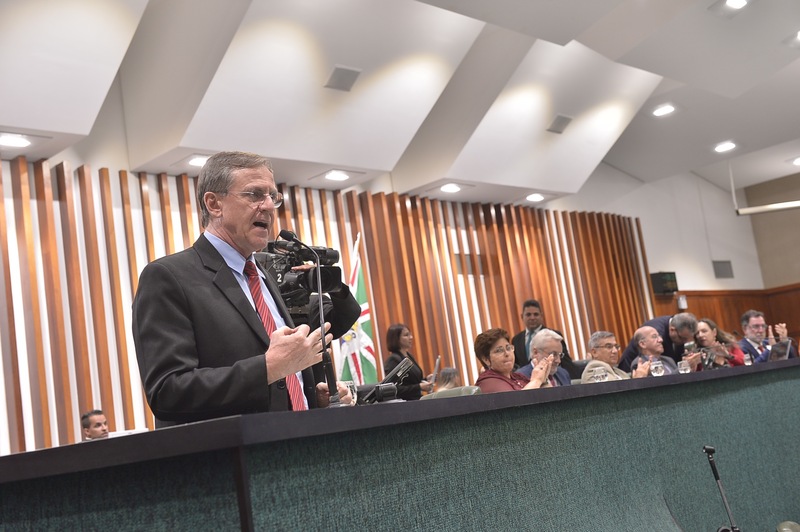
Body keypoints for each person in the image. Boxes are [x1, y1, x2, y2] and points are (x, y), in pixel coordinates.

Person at [132, 151, 360, 427]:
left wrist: (308, 397)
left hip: (295, 442)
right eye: (254, 195)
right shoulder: (168, 277)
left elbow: (279, 377)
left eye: (272, 196)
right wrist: (267, 368)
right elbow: (168, 392)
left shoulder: (262, 275)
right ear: (214, 204)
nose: (269, 206)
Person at [511, 299, 581, 379]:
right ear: (522, 316)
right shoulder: (516, 339)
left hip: (551, 378)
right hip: (525, 379)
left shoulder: (554, 336)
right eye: (528, 315)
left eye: (536, 314)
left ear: (541, 316)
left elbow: (566, 362)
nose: (532, 318)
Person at [474, 328, 553, 393]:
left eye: (508, 348)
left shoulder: (518, 377)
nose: (507, 353)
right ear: (486, 359)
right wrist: (536, 380)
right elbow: (516, 403)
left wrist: (544, 380)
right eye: (499, 350)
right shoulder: (489, 382)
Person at [618, 313, 697, 372]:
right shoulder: (656, 330)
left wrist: (689, 364)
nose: (660, 340)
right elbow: (665, 379)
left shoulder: (668, 360)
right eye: (682, 338)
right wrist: (684, 365)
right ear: (672, 330)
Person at [383, 324, 432, 400]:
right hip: (405, 402)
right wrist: (419, 387)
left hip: (417, 400)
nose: (411, 337)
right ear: (396, 339)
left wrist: (426, 380)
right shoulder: (394, 360)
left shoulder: (409, 356)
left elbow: (411, 381)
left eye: (410, 334)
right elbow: (394, 387)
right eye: (406, 335)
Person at [579, 331, 649, 383]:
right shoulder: (593, 370)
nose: (615, 351)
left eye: (616, 346)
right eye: (609, 347)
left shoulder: (618, 371)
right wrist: (637, 381)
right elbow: (614, 393)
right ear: (594, 352)